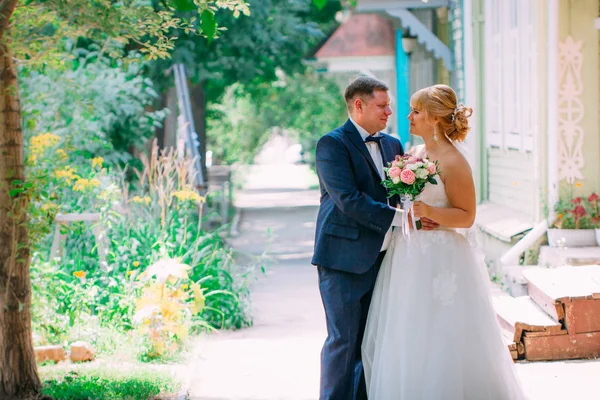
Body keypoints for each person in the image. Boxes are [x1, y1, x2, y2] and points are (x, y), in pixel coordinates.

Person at [361, 84, 527, 399]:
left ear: (435, 119)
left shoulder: (453, 161)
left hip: (443, 260)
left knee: (444, 336)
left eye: (416, 111)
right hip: (408, 256)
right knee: (410, 334)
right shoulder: (416, 154)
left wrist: (431, 211)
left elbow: (467, 216)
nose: (408, 116)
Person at [311, 76, 438, 400]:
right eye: (382, 106)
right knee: (344, 341)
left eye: (389, 106)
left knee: (375, 340)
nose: (389, 112)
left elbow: (399, 194)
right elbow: (348, 199)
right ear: (359, 105)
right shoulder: (332, 144)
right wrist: (401, 219)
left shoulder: (392, 144)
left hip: (386, 258)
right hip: (343, 259)